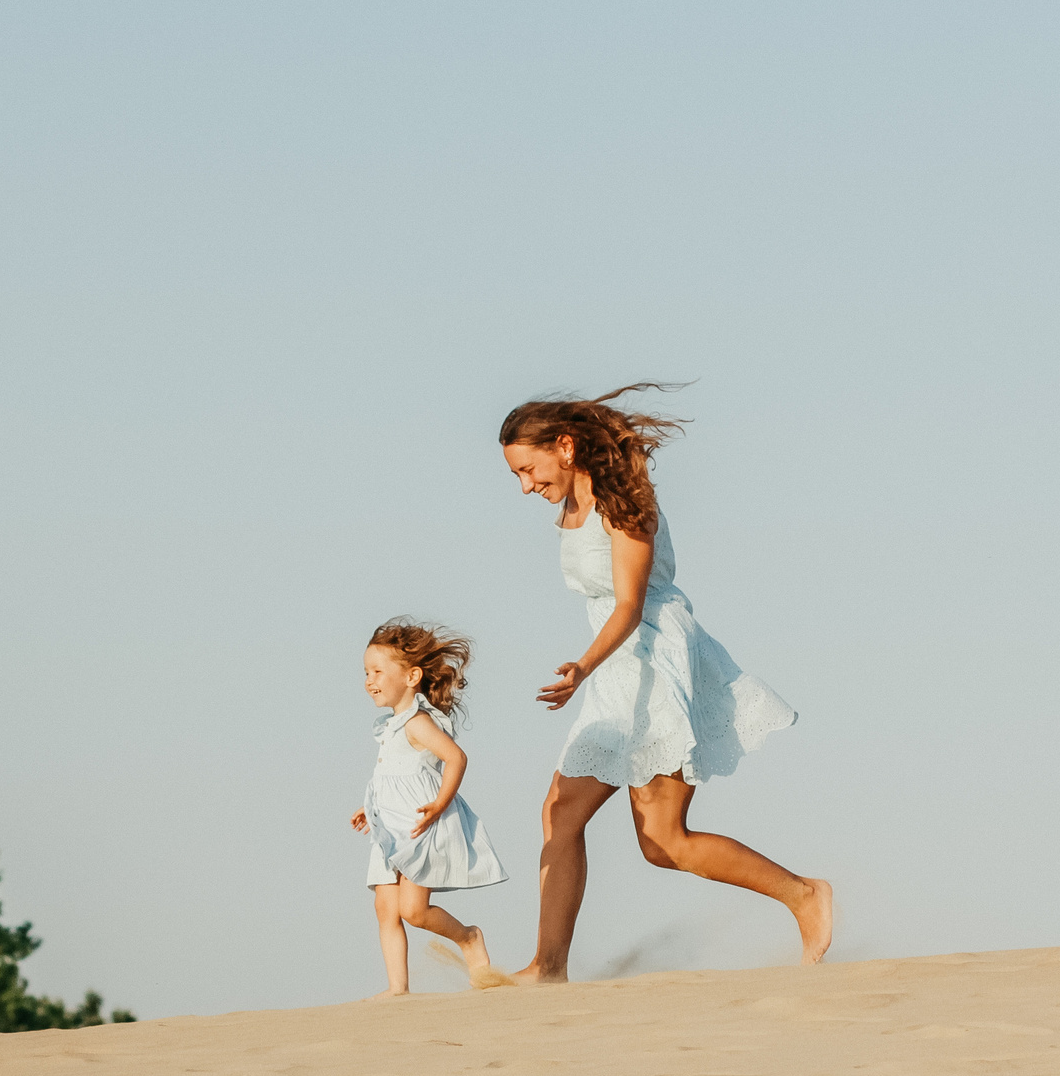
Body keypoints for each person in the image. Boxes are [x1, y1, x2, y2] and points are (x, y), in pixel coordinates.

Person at [496, 385, 833, 981]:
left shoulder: (624, 501)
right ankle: (547, 967)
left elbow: (629, 605)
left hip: (652, 661)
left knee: (664, 841)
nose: (524, 486)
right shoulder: (571, 507)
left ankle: (804, 893)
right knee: (561, 814)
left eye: (528, 469)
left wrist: (580, 667)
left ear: (565, 447)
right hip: (613, 672)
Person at [351, 618, 507, 995]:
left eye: (377, 671)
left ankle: (469, 937)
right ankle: (398, 989)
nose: (369, 680)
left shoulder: (417, 724)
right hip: (389, 830)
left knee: (414, 911)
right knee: (385, 910)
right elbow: (392, 776)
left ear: (411, 676)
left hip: (420, 828)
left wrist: (440, 804)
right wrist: (367, 806)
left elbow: (456, 759)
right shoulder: (390, 725)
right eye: (365, 672)